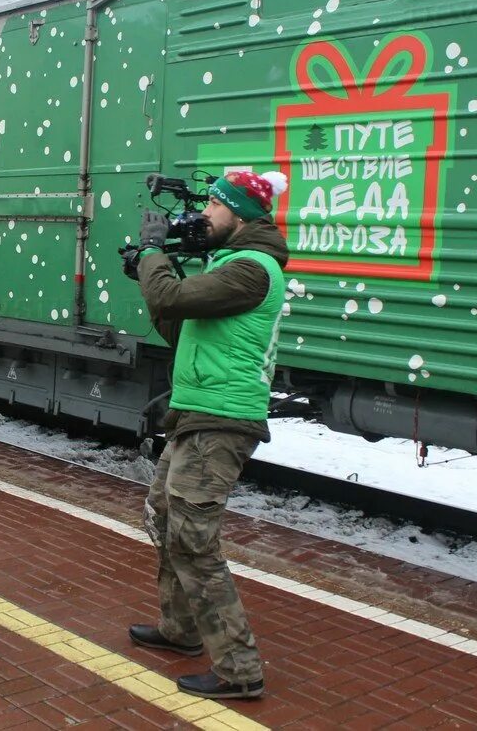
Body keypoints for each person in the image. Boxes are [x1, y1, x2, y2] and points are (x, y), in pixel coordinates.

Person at [126, 170, 290, 701]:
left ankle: (239, 670)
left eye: (213, 208)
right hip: (196, 412)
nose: (203, 217)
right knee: (164, 513)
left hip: (221, 418)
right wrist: (154, 274)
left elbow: (171, 299)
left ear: (238, 214)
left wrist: (153, 256)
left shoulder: (252, 268)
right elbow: (177, 323)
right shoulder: (229, 266)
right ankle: (181, 629)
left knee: (194, 540)